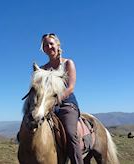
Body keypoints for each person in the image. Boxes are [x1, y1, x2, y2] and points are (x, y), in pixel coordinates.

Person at [40, 33, 83, 164]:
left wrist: (55, 100)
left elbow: (70, 88)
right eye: (46, 45)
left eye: (51, 43)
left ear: (57, 45)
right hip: (47, 107)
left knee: (70, 134)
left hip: (66, 105)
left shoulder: (68, 63)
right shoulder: (42, 69)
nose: (49, 46)